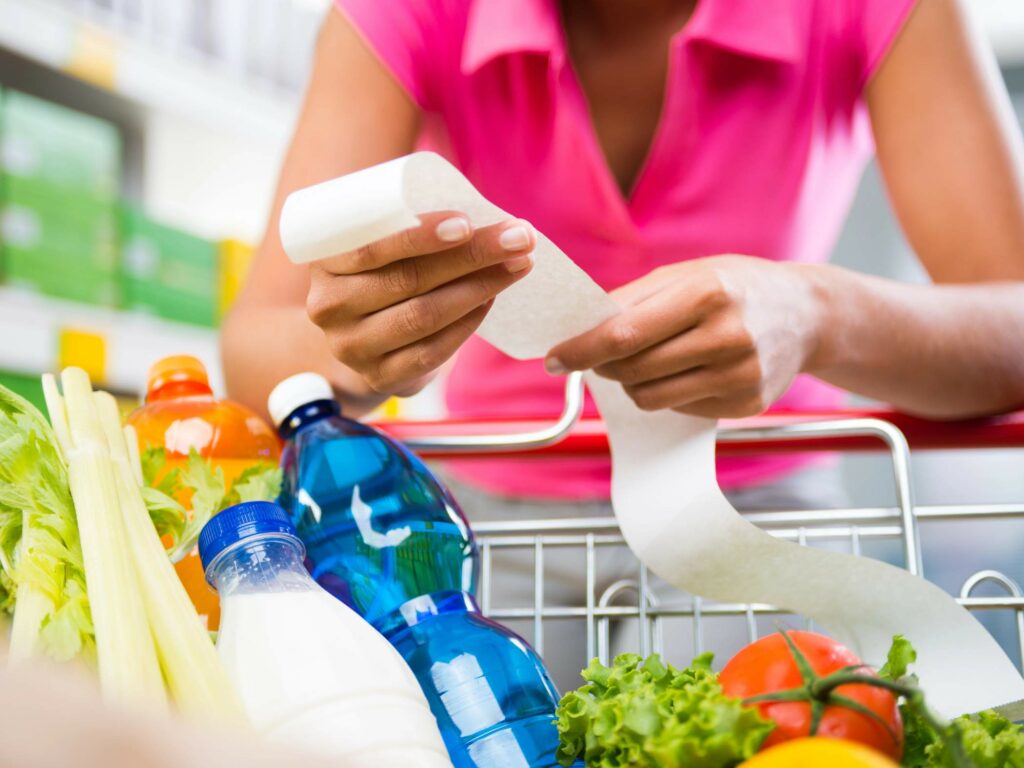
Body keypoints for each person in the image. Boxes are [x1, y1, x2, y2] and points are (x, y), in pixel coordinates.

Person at [222, 0, 1024, 686]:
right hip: (491, 513)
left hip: (753, 499)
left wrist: (818, 312)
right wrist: (360, 352)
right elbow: (258, 344)